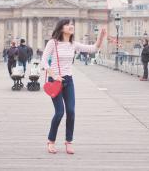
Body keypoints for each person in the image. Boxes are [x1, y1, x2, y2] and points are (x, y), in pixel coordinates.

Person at [42, 18, 106, 155]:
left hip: (68, 81)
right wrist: (54, 75)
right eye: (67, 24)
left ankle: (68, 141)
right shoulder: (53, 43)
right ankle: (51, 141)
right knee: (59, 112)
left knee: (71, 111)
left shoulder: (73, 44)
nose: (71, 26)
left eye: (72, 24)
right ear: (61, 28)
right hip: (55, 81)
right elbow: (44, 61)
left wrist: (100, 37)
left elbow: (93, 48)